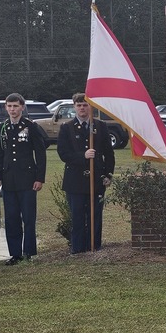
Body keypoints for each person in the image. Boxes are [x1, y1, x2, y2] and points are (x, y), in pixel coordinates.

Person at [57, 92, 115, 253]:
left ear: (90, 106)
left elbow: (109, 153)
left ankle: (94, 246)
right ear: (74, 107)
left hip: (96, 179)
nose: (82, 108)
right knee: (77, 216)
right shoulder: (66, 128)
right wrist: (82, 156)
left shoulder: (100, 126)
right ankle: (78, 249)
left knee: (95, 216)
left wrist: (108, 174)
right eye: (79, 105)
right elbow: (63, 153)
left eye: (85, 105)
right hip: (75, 181)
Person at [0, 93, 47, 265]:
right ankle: (15, 253)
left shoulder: (30, 126)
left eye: (15, 106)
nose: (12, 109)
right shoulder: (2, 128)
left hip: (28, 179)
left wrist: (40, 178)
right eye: (9, 106)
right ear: (5, 108)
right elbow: (0, 154)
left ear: (22, 107)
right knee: (11, 218)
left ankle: (30, 251)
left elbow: (40, 153)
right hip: (9, 179)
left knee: (28, 217)